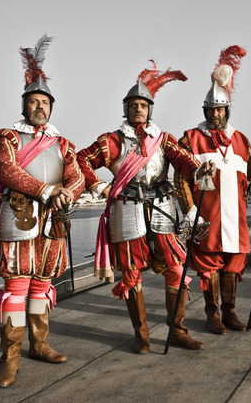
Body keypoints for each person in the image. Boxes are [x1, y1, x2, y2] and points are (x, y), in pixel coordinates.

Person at [77, 62, 216, 353]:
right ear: (125, 108)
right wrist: (97, 186)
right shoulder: (111, 140)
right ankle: (141, 335)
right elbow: (81, 160)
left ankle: (177, 331)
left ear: (150, 109)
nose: (138, 109)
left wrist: (201, 172)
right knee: (131, 275)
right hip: (126, 210)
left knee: (176, 271)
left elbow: (185, 162)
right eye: (133, 105)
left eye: (143, 105)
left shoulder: (163, 140)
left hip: (163, 209)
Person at [0, 33, 84, 388]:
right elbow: (8, 171)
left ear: (51, 107)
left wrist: (66, 194)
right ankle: (9, 358)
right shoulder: (6, 137)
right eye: (34, 101)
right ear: (24, 104)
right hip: (20, 217)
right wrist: (46, 190)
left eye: (45, 102)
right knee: (16, 288)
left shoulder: (63, 144)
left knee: (41, 286)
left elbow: (78, 178)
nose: (40, 106)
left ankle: (39, 345)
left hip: (53, 221)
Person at [174, 46, 251, 335]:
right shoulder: (190, 139)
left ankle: (229, 313)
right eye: (211, 110)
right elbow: (181, 180)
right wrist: (189, 212)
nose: (215, 114)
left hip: (234, 219)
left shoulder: (241, 140)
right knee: (209, 266)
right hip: (207, 217)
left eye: (220, 109)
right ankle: (212, 315)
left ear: (227, 110)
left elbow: (249, 170)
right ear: (205, 110)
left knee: (231, 265)